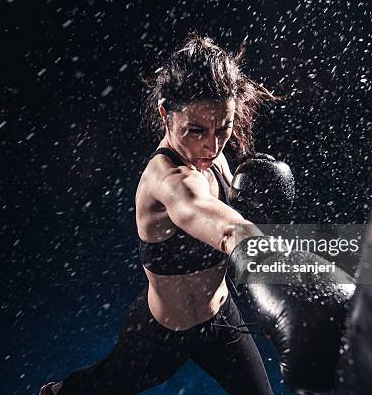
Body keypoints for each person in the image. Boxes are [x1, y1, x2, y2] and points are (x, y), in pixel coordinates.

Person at [40, 35, 277, 395]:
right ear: (166, 113)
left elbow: (234, 217)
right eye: (196, 130)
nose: (211, 146)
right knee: (96, 388)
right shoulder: (166, 180)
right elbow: (227, 229)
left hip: (222, 321)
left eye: (223, 128)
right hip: (163, 335)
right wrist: (300, 270)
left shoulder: (214, 157)